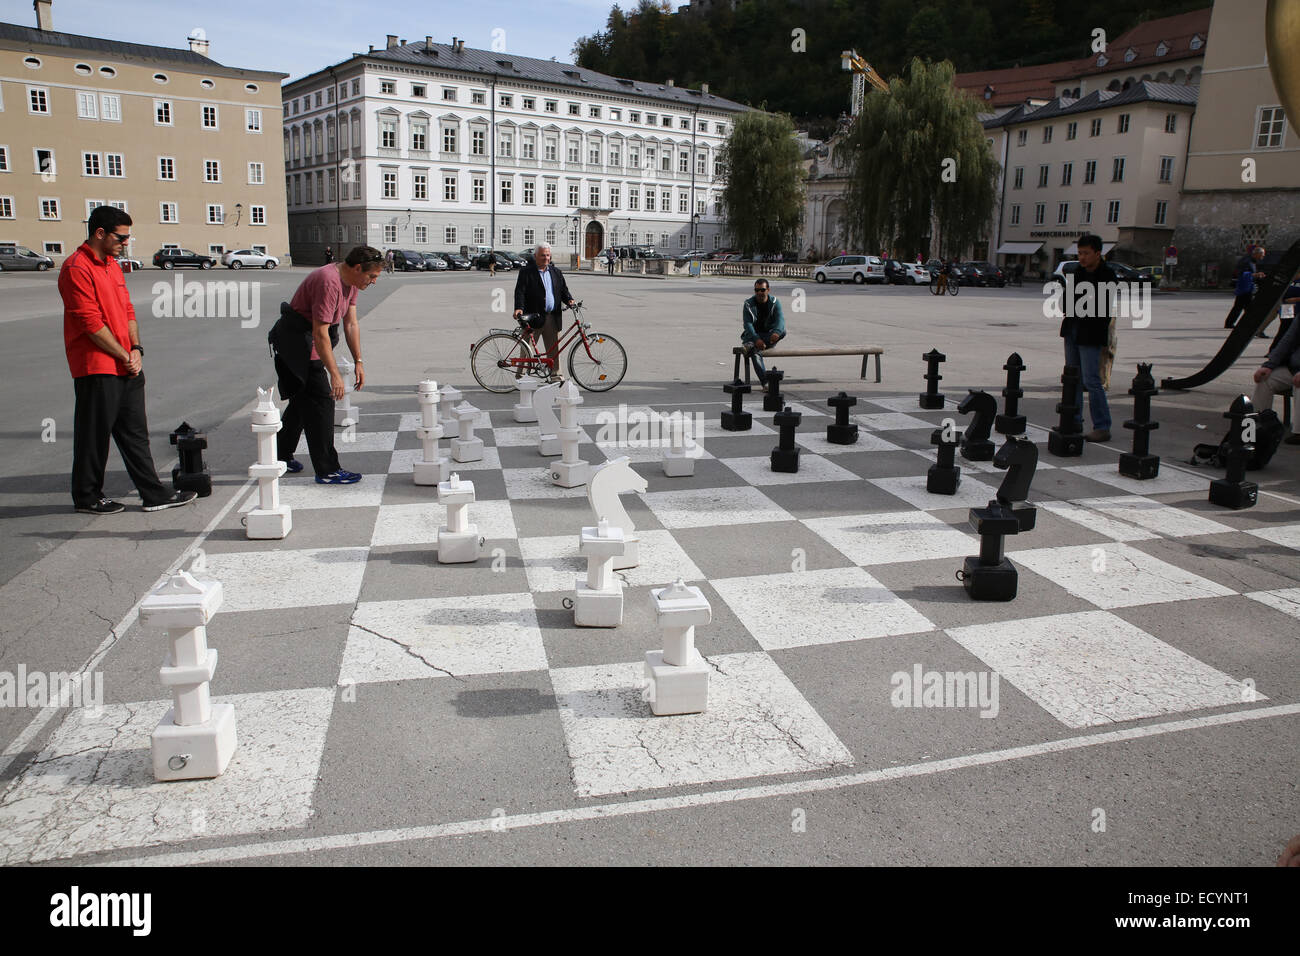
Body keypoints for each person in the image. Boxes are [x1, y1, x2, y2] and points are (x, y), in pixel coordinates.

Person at [60, 206, 197, 514]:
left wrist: (136, 349)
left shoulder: (111, 265)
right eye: (121, 237)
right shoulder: (77, 268)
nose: (126, 243)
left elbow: (127, 311)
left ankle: (154, 494)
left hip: (127, 363)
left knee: (135, 433)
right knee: (93, 435)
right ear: (99, 233)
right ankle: (87, 496)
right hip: (96, 366)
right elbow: (89, 323)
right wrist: (124, 355)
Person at [269, 246, 383, 483]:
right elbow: (320, 333)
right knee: (321, 402)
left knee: (302, 401)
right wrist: (335, 374)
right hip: (297, 342)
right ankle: (327, 469)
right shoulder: (329, 282)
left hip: (310, 338)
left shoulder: (351, 282)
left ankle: (278, 455)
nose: (373, 282)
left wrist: (358, 361)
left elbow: (351, 323)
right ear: (358, 268)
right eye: (371, 276)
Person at [1060, 234, 1115, 442]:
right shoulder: (1077, 273)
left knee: (1092, 380)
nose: (1081, 258)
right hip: (1073, 328)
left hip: (1090, 333)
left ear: (1097, 253)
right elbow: (1066, 303)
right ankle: (1073, 420)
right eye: (1079, 253)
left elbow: (1102, 310)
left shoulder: (1106, 275)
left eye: (1086, 253)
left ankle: (1102, 425)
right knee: (1072, 378)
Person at [513, 243, 575, 380]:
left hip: (552, 317)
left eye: (547, 255)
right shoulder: (526, 272)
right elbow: (520, 292)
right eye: (542, 255)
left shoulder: (556, 272)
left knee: (554, 349)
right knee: (526, 349)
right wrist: (519, 308)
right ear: (535, 256)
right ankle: (521, 376)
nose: (545, 258)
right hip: (533, 316)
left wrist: (570, 300)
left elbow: (563, 290)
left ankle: (556, 375)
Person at [1252, 292, 1300, 445]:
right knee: (1265, 380)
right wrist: (1269, 365)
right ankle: (1256, 423)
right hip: (1294, 368)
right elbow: (1287, 341)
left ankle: (1299, 431)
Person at [741, 278, 787, 385]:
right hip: (752, 337)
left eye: (762, 290)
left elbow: (780, 320)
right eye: (756, 290)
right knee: (754, 352)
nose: (759, 293)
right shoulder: (748, 304)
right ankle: (765, 383)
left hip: (767, 336)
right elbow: (747, 324)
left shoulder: (774, 302)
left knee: (783, 331)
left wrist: (776, 332)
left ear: (768, 290)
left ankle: (766, 344)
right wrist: (756, 339)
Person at [1225, 245, 1266, 330]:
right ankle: (1249, 324)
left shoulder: (1252, 261)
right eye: (1262, 254)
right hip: (1245, 287)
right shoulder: (1247, 261)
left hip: (1246, 287)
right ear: (1257, 254)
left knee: (1239, 306)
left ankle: (1229, 323)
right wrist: (1256, 275)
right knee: (1248, 307)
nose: (1263, 256)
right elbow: (1242, 274)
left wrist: (1257, 275)